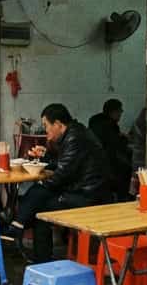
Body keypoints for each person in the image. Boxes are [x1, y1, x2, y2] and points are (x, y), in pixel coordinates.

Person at [14, 104, 112, 263]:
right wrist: (45, 157)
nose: (46, 131)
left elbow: (61, 176)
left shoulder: (75, 138)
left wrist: (41, 183)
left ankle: (33, 247)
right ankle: (20, 226)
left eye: (46, 126)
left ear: (58, 124)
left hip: (89, 196)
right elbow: (64, 164)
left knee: (41, 210)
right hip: (83, 190)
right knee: (39, 196)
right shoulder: (75, 133)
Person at [88, 99, 132, 200]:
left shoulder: (95, 122)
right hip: (109, 166)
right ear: (114, 112)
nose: (121, 114)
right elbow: (117, 147)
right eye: (120, 111)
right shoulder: (109, 125)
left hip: (94, 165)